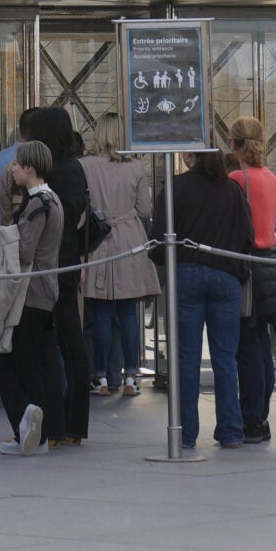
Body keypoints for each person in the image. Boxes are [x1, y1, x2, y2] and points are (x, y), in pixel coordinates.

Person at [158, 146, 253, 451]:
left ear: (192, 157)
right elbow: (247, 236)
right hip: (226, 276)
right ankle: (230, 431)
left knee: (187, 359)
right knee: (225, 358)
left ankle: (185, 434)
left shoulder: (176, 187)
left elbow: (159, 236)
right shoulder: (234, 190)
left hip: (187, 274)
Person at [0, 139, 66, 456]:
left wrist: (2, 238)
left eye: (17, 164)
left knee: (6, 359)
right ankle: (36, 431)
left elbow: (24, 250)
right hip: (45, 291)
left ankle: (27, 427)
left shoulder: (38, 204)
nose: (13, 169)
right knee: (34, 362)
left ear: (29, 168)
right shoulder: (51, 200)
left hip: (30, 294)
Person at [79, 122, 156, 399]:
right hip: (129, 240)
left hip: (98, 239)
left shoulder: (86, 166)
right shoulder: (135, 167)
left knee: (99, 311)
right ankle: (131, 375)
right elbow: (145, 209)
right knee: (127, 312)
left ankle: (100, 376)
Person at [33, 109, 94, 446]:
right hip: (68, 263)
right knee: (72, 344)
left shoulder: (52, 172)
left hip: (50, 266)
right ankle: (74, 424)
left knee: (50, 346)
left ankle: (55, 424)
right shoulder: (75, 167)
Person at [227, 116, 276, 441]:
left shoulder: (237, 178)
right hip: (268, 263)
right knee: (262, 344)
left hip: (245, 265)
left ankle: (250, 418)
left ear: (233, 144)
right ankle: (261, 416)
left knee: (247, 346)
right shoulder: (270, 177)